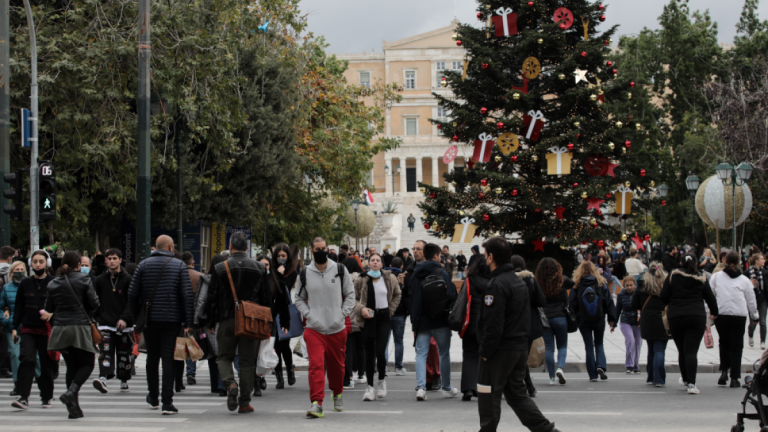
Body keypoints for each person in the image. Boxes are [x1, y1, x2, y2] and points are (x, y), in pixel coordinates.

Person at [476, 237, 559, 432]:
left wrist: (486, 350)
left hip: (500, 349)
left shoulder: (496, 284)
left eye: (486, 255)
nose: (485, 259)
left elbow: (493, 323)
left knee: (487, 392)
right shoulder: (518, 281)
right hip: (519, 346)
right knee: (517, 394)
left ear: (491, 257)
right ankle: (545, 429)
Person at [128, 235, 194, 415]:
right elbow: (187, 295)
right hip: (171, 320)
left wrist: (137, 319)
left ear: (156, 247)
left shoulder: (143, 265)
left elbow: (132, 294)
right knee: (168, 358)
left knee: (152, 357)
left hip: (149, 320)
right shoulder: (179, 265)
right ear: (171, 247)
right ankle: (167, 402)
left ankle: (153, 396)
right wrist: (189, 321)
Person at [204, 233, 267, 412]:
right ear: (247, 248)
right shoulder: (260, 268)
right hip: (251, 320)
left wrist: (210, 319)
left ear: (230, 247)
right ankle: (245, 402)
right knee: (247, 362)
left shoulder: (219, 268)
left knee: (223, 356)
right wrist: (267, 324)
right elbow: (265, 298)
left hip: (226, 318)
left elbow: (212, 297)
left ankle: (230, 384)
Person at [295, 237, 355, 418]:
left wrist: (342, 314)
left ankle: (337, 394)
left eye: (324, 248)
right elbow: (298, 298)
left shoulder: (339, 270)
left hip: (337, 328)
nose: (321, 251)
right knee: (316, 366)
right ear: (311, 250)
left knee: (337, 367)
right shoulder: (305, 273)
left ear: (328, 249)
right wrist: (309, 315)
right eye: (317, 248)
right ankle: (316, 403)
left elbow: (350, 294)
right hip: (314, 329)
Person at [44, 251, 100, 419]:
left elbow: (49, 308)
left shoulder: (53, 283)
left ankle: (73, 408)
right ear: (77, 265)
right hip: (80, 326)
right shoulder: (84, 279)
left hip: (60, 328)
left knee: (72, 366)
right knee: (88, 363)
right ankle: (72, 391)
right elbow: (95, 303)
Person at [660, 252, 718, 394]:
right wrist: (715, 312)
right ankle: (692, 384)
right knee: (691, 351)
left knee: (682, 350)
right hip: (696, 316)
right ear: (696, 263)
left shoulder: (673, 276)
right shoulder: (701, 277)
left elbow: (663, 296)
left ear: (681, 263)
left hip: (676, 317)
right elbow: (710, 298)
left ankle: (685, 379)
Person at [410, 242, 458, 401]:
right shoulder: (441, 272)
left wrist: (415, 319)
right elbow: (451, 295)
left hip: (422, 320)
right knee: (443, 354)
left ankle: (421, 388)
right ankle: (446, 387)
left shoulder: (416, 273)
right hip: (440, 319)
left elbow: (413, 296)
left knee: (421, 354)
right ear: (436, 256)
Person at [11, 250, 56, 410]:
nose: (38, 264)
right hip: (28, 329)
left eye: (41, 262)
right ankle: (23, 397)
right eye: (35, 261)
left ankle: (46, 396)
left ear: (47, 264)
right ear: (31, 263)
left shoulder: (53, 282)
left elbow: (59, 306)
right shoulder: (25, 283)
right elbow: (18, 307)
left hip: (46, 330)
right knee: (27, 359)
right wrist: (14, 327)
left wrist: (51, 314)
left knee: (46, 364)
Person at [353, 253, 401, 401]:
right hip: (367, 318)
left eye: (377, 261)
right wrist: (361, 309)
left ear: (381, 264)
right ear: (368, 263)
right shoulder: (361, 279)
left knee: (380, 351)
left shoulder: (389, 278)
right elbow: (352, 299)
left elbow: (397, 295)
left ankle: (381, 380)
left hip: (384, 317)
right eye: (372, 260)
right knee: (369, 353)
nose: (374, 263)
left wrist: (390, 311)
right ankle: (369, 386)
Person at [711, 251, 758, 388]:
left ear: (725, 261)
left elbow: (709, 295)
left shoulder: (716, 277)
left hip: (722, 314)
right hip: (739, 315)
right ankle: (735, 377)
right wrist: (754, 316)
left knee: (724, 343)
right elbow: (751, 301)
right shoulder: (744, 280)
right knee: (736, 346)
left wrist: (711, 311)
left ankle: (724, 371)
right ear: (738, 263)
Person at [92, 248, 133, 394]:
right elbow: (95, 300)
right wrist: (96, 317)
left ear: (120, 260)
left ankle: (124, 379)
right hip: (105, 323)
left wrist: (125, 318)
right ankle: (103, 377)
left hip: (123, 325)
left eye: (115, 258)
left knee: (123, 353)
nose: (112, 261)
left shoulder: (128, 279)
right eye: (109, 258)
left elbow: (131, 302)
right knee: (105, 351)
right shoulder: (99, 280)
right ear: (105, 261)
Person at [569, 260, 617, 382]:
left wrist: (573, 319)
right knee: (599, 343)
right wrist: (612, 318)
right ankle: (601, 365)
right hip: (599, 318)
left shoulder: (577, 285)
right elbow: (609, 302)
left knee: (589, 346)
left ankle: (592, 375)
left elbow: (571, 304)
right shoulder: (601, 283)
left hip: (583, 319)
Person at [255, 254, 291, 395]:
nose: (264, 267)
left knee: (268, 350)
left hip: (271, 321)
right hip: (256, 321)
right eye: (261, 265)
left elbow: (283, 303)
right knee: (255, 352)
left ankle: (265, 375)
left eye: (267, 265)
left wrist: (285, 323)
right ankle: (257, 381)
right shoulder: (253, 280)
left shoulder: (275, 280)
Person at [511, 255, 546, 398]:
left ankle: (525, 385)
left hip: (515, 323)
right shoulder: (531, 279)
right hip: (530, 323)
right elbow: (541, 301)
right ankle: (527, 385)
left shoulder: (509, 280)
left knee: (518, 356)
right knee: (523, 356)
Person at [632, 263, 670, 387]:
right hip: (663, 319)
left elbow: (634, 304)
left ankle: (651, 376)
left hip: (647, 319)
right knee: (659, 349)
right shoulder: (667, 285)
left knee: (651, 349)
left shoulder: (643, 286)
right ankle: (659, 379)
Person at [194, 254, 226, 396]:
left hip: (209, 321)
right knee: (222, 353)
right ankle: (221, 384)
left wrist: (196, 321)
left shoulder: (207, 280)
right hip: (225, 319)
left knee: (213, 353)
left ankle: (216, 384)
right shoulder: (227, 279)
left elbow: (200, 301)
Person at [0, 261, 34, 396]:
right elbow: (1, 306)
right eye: (16, 269)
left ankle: (39, 380)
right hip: (12, 327)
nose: (19, 271)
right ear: (12, 272)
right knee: (15, 355)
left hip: (29, 326)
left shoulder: (30, 286)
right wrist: (4, 320)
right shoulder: (6, 288)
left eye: (22, 269)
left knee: (33, 357)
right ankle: (17, 384)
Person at [537, 258, 570, 386]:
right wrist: (560, 275)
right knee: (562, 346)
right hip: (560, 316)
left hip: (545, 318)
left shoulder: (539, 282)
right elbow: (571, 283)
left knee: (549, 348)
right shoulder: (561, 280)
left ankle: (551, 377)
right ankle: (560, 368)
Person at [273, 243, 298, 389]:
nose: (281, 258)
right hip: (273, 311)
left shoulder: (291, 272)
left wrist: (280, 275)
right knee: (275, 345)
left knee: (285, 345)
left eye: (284, 256)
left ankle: (289, 369)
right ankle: (279, 377)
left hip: (284, 312)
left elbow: (284, 289)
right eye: (278, 256)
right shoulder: (271, 271)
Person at [342, 257, 366, 388]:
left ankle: (350, 375)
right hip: (361, 314)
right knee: (361, 347)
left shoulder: (343, 279)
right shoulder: (363, 278)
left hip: (348, 317)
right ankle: (361, 374)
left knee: (348, 348)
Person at [179, 252, 202, 386]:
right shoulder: (199, 277)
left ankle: (179, 374)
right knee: (190, 343)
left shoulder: (176, 275)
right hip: (193, 315)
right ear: (192, 262)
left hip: (177, 315)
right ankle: (191, 372)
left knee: (179, 345)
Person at [611, 276, 641, 374]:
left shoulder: (639, 294)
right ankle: (629, 365)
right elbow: (617, 310)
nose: (629, 287)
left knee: (638, 343)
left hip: (638, 322)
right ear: (624, 285)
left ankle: (636, 365)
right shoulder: (621, 295)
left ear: (634, 285)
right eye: (627, 285)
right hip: (625, 321)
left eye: (631, 285)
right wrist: (613, 324)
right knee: (630, 340)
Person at [383, 257, 407, 376]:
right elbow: (405, 295)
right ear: (401, 267)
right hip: (399, 312)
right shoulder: (402, 276)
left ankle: (384, 367)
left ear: (390, 264)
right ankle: (398, 367)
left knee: (385, 341)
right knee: (398, 341)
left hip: (386, 311)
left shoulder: (383, 275)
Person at [747, 253, 767, 349]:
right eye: (762, 259)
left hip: (763, 299)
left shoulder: (765, 272)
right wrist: (749, 283)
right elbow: (743, 286)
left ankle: (762, 342)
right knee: (753, 322)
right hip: (752, 299)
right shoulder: (748, 272)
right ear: (756, 261)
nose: (764, 261)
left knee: (762, 321)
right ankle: (750, 336)